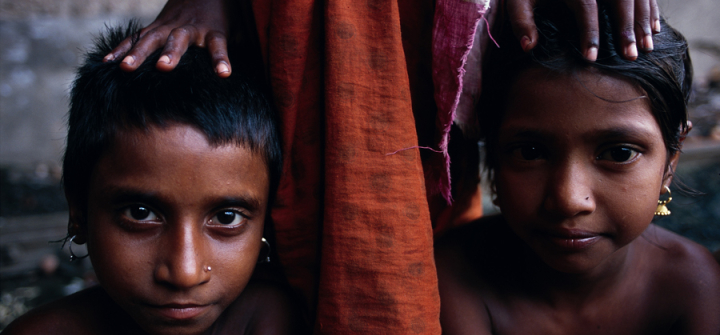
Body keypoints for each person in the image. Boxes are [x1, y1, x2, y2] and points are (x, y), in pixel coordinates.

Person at [435, 3, 720, 334]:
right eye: (529, 152)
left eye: (619, 153)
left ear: (672, 158)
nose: (569, 199)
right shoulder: (451, 274)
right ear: (493, 156)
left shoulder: (694, 285)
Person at [3, 23, 303, 335]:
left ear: (266, 221)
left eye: (227, 218)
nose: (184, 273)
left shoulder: (269, 321)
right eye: (140, 213)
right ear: (78, 211)